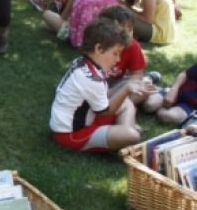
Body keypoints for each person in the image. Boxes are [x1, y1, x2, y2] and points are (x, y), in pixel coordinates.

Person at [49, 17, 149, 153]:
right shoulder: (92, 79)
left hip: (74, 123)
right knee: (133, 135)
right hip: (71, 135)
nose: (118, 59)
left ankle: (123, 138)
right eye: (115, 53)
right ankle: (125, 140)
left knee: (126, 104)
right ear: (99, 49)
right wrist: (126, 89)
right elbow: (105, 112)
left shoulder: (82, 62)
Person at [97, 5, 164, 112]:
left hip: (117, 84)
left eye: (130, 29)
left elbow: (137, 73)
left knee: (145, 89)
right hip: (97, 85)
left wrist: (123, 89)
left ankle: (122, 108)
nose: (127, 35)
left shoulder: (133, 45)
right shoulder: (98, 46)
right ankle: (122, 108)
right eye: (122, 31)